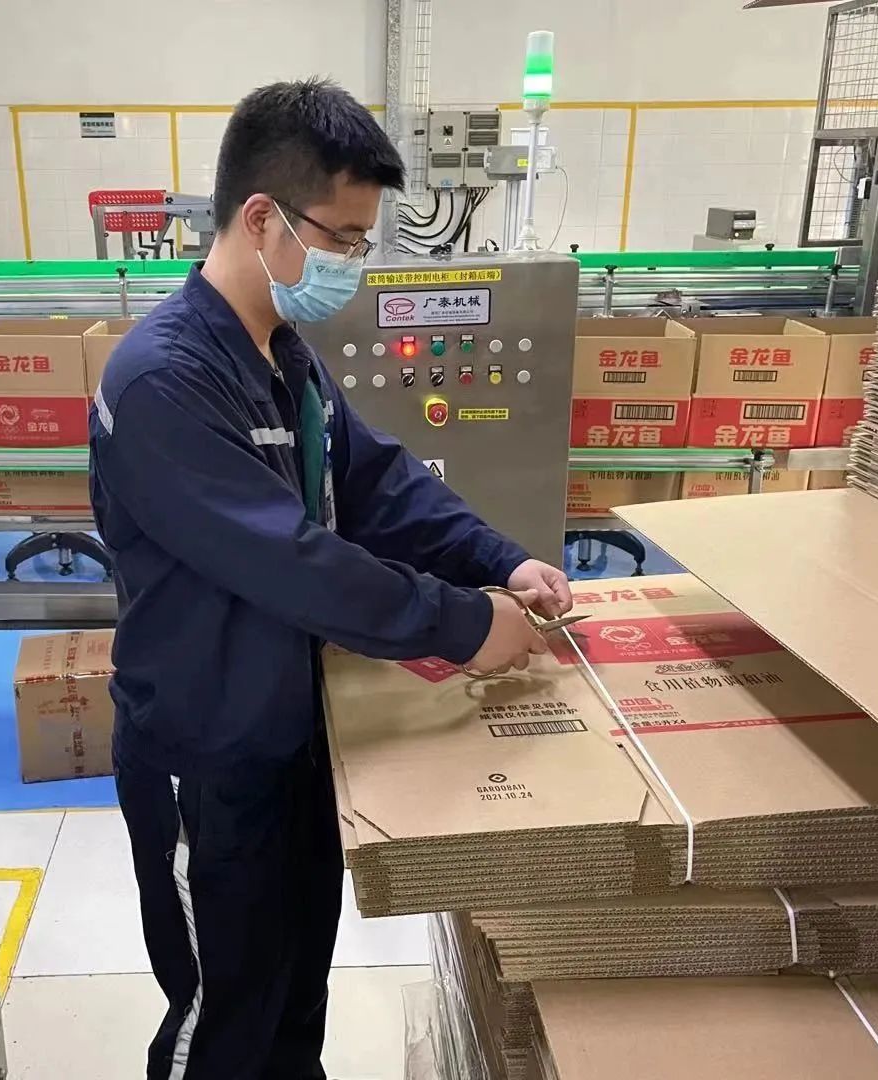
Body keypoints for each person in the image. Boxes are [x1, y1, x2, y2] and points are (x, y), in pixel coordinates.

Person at [88, 78, 573, 1080]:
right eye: (343, 238)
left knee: (294, 993)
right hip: (208, 756)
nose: (352, 263)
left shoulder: (283, 358)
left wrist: (498, 558)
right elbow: (292, 563)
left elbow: (378, 483)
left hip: (292, 738)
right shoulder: (165, 380)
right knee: (224, 1017)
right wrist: (465, 625)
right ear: (262, 218)